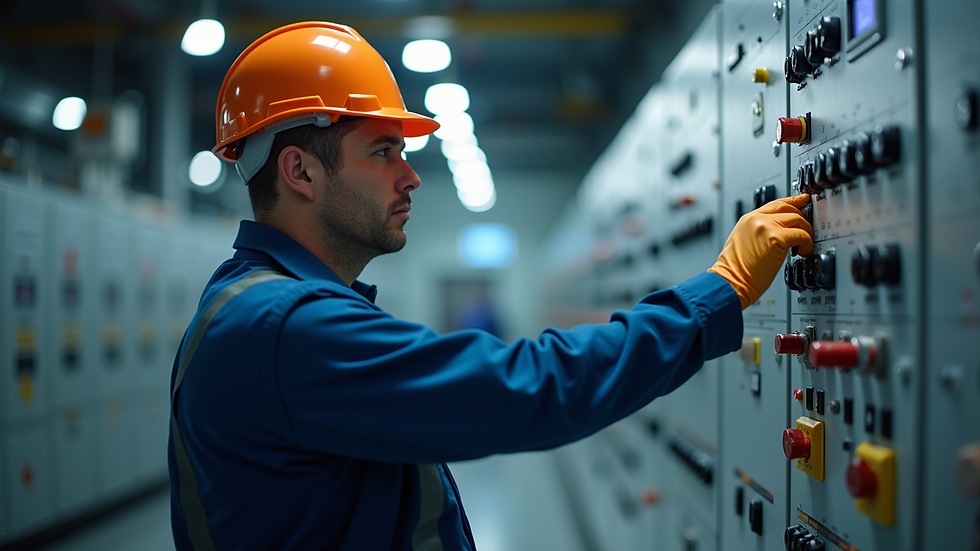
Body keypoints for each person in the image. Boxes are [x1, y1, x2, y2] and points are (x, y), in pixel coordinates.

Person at [168, 21, 814, 551]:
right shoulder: (284, 325)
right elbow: (525, 389)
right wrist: (716, 291)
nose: (411, 176)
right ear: (300, 170)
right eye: (384, 150)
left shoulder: (254, 304)